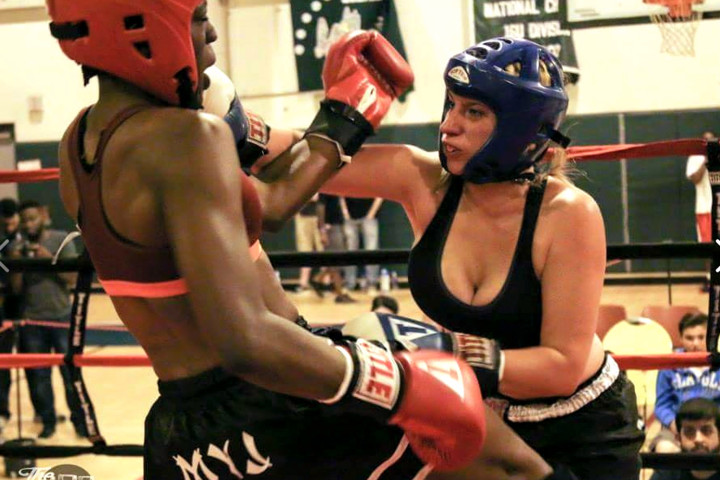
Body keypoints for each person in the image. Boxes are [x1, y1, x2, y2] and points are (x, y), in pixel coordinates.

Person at [48, 2, 565, 479]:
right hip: (277, 390)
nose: (210, 35)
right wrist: (398, 384)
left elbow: (267, 205)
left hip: (183, 430)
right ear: (140, 29)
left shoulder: (77, 144)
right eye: (199, 17)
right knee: (513, 467)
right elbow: (246, 340)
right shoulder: (186, 139)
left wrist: (344, 115)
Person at [323, 37, 644, 480]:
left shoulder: (567, 213)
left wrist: (443, 351)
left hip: (580, 431)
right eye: (451, 105)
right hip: (478, 416)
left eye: (473, 112)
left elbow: (561, 368)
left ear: (519, 128)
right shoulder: (423, 181)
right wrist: (343, 114)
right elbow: (270, 157)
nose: (447, 126)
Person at [7, 201, 84, 439]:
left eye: (33, 218)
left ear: (42, 216)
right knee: (39, 378)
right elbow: (16, 289)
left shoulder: (61, 240)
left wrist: (50, 259)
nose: (29, 224)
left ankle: (80, 423)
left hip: (61, 318)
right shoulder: (16, 247)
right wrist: (19, 265)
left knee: (71, 375)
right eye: (25, 220)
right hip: (32, 322)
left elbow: (72, 279)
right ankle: (47, 421)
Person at [652, 313, 720, 453]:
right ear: (681, 339)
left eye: (701, 337)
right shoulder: (669, 366)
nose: (695, 343)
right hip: (676, 428)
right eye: (689, 338)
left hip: (715, 427)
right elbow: (662, 405)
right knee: (665, 449)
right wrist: (675, 426)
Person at [650, 398, 720, 480]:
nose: (698, 439)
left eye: (706, 431)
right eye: (689, 432)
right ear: (678, 438)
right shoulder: (666, 472)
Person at [0, 198, 21, 432]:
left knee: (6, 366)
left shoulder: (23, 237)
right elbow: (4, 267)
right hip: (5, 309)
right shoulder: (3, 241)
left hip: (18, 310)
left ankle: (3, 412)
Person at [686, 131, 716, 291]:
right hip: (704, 208)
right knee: (708, 247)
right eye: (706, 140)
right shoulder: (695, 157)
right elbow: (696, 179)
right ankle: (710, 280)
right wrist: (706, 160)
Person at [341, 196, 384, 292]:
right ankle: (349, 283)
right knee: (350, 252)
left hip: (370, 217)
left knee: (371, 251)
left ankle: (371, 283)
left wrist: (371, 214)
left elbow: (380, 195)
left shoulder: (374, 180)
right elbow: (341, 195)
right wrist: (345, 213)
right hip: (350, 217)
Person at [293, 194, 324, 295]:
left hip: (319, 218)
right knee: (304, 250)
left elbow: (317, 197)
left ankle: (325, 283)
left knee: (323, 249)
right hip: (303, 217)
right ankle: (303, 283)